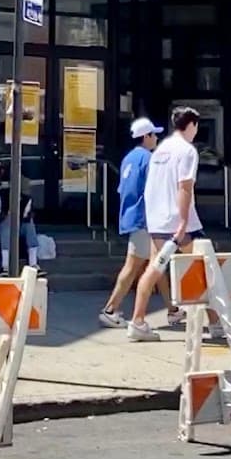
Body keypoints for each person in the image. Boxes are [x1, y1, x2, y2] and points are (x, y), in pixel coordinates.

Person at [126, 107, 231, 343]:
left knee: (154, 270)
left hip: (157, 220)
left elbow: (151, 187)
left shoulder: (160, 150)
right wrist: (184, 221)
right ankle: (217, 323)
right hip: (180, 223)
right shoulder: (187, 151)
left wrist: (154, 217)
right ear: (193, 125)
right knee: (206, 270)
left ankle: (137, 320)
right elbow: (185, 187)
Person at [99, 117, 177, 328]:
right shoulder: (148, 159)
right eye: (153, 134)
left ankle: (172, 309)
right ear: (146, 137)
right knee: (134, 266)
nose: (156, 138)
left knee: (157, 263)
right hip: (146, 219)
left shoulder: (128, 159)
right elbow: (155, 189)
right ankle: (110, 309)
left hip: (133, 216)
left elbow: (124, 189)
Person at [0, 161, 39, 273]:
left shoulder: (26, 198)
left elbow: (25, 217)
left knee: (29, 225)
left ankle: (33, 264)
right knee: (9, 223)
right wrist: (5, 216)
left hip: (18, 227)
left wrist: (26, 217)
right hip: (0, 227)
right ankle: (5, 265)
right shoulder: (0, 195)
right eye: (24, 180)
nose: (27, 183)